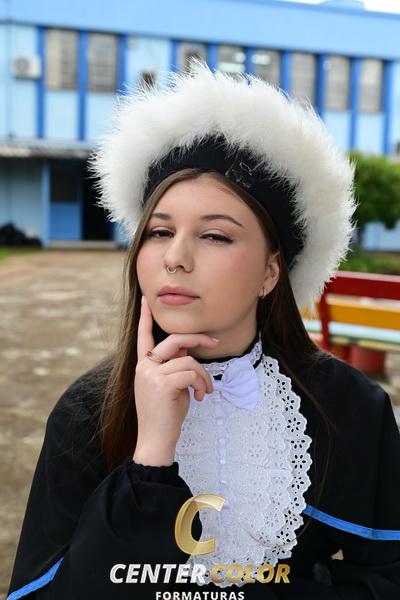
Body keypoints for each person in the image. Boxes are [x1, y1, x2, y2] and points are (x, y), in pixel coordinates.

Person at [6, 61, 400, 600]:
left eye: (215, 235)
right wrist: (151, 456)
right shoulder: (88, 411)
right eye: (159, 231)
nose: (175, 257)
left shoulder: (347, 406)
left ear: (271, 271)